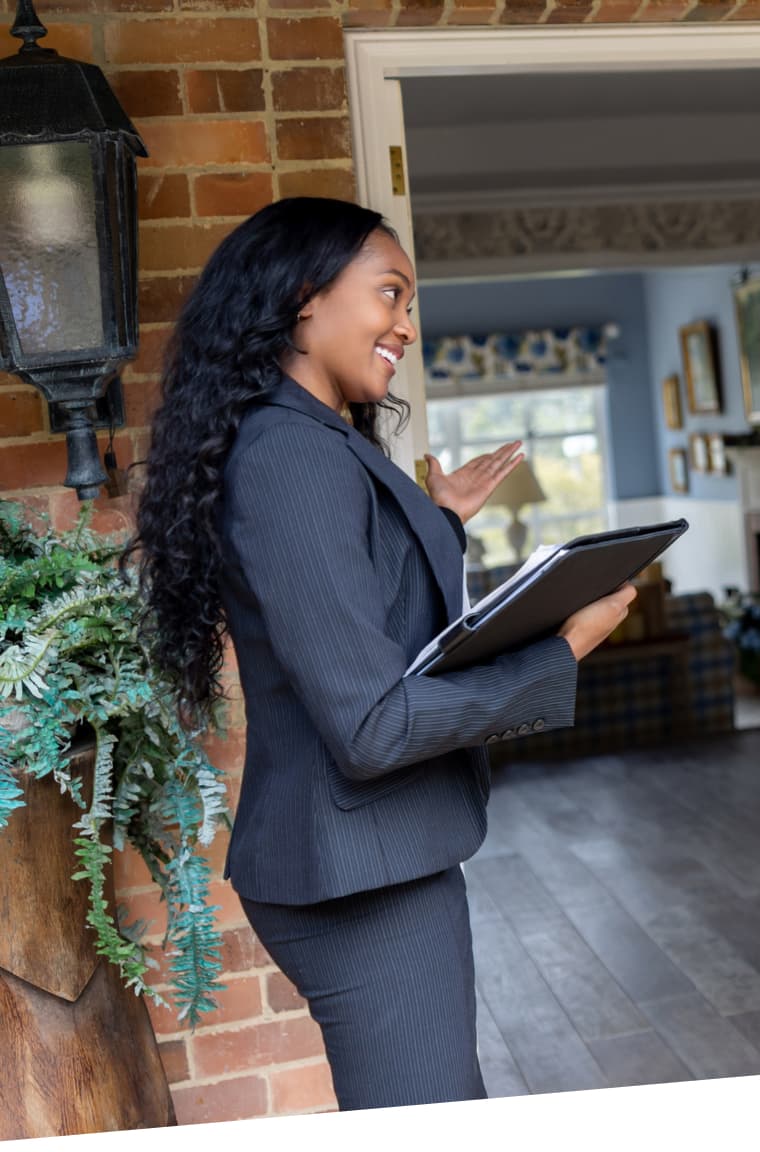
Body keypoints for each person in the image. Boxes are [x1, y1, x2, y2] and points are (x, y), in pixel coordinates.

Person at [131, 197, 635, 1109]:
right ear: (303, 298)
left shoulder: (308, 437)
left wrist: (438, 519)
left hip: (368, 859)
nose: (408, 322)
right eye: (390, 293)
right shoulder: (291, 456)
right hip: (361, 877)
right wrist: (559, 651)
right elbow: (371, 724)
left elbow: (366, 601)